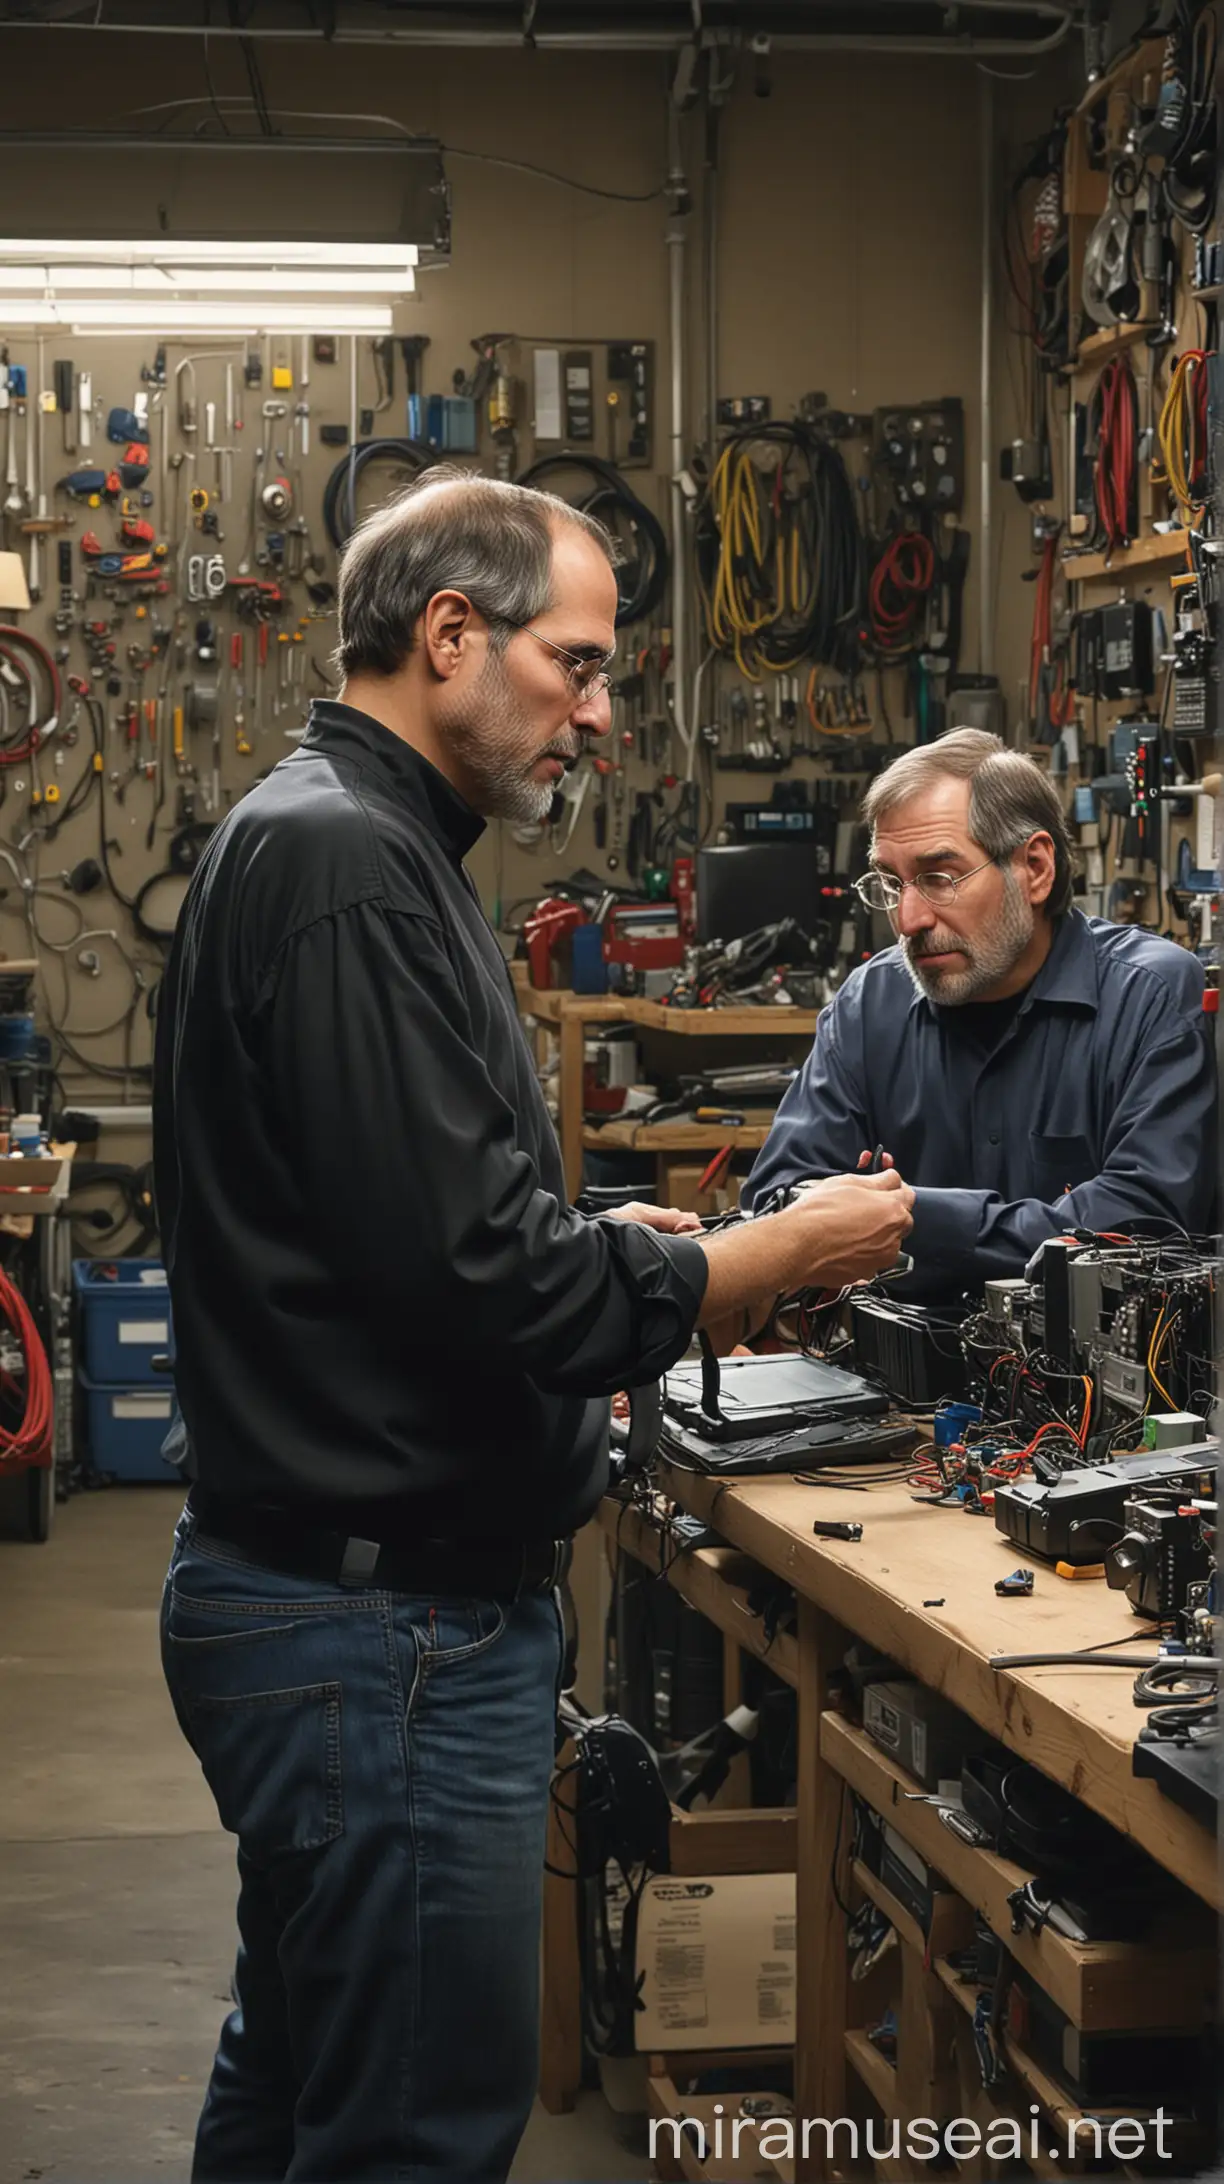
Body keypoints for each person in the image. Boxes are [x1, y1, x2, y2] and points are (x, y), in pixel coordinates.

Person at [152, 469, 913, 2184]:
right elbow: (488, 1288)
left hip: (341, 1612)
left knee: (300, 2084)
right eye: (574, 662)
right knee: (409, 2132)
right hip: (381, 1637)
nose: (599, 708)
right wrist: (754, 1254)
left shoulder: (347, 842)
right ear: (447, 635)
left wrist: (582, 1229)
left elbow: (401, 1231)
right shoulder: (348, 865)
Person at [745, 728, 1216, 1296]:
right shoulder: (869, 1005)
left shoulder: (1149, 997)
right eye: (892, 884)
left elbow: (1143, 1223)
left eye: (939, 878)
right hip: (890, 1369)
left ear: (1035, 868)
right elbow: (778, 1197)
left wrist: (904, 1214)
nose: (909, 919)